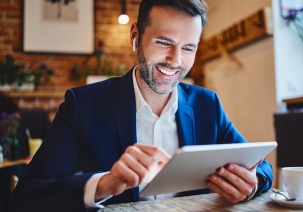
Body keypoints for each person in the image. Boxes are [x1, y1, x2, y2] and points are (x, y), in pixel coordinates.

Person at [9, 0, 273, 211]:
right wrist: (103, 184)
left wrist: (250, 184)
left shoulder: (207, 104)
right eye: (163, 42)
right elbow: (28, 195)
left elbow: (259, 165)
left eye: (188, 48)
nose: (175, 60)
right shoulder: (83, 105)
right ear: (135, 35)